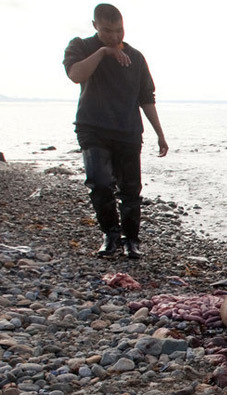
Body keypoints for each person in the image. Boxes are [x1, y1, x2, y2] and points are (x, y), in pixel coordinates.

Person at [64, 3, 168, 259]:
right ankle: (110, 236)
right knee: (100, 184)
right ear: (95, 26)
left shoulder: (136, 57)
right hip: (92, 128)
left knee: (131, 190)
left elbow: (146, 97)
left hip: (128, 131)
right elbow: (76, 75)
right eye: (108, 31)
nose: (115, 36)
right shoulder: (81, 46)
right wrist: (103, 52)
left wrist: (160, 134)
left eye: (119, 30)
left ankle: (131, 240)